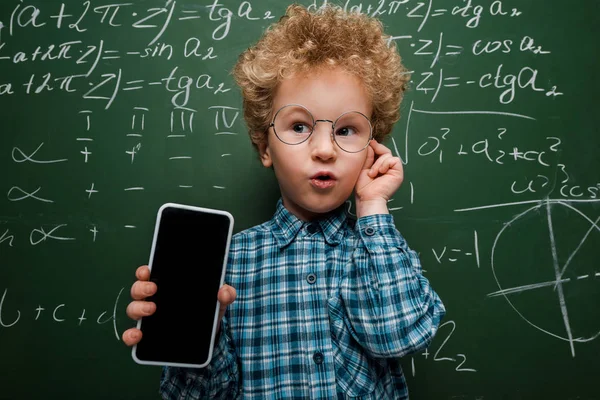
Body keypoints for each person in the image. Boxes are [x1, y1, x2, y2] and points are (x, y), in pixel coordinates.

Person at [123, 4, 445, 399]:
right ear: (265, 147)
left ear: (371, 148)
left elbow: (401, 337)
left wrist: (373, 205)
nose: (325, 149)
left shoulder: (380, 250)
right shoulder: (226, 264)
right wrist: (205, 331)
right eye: (299, 126)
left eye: (346, 130)